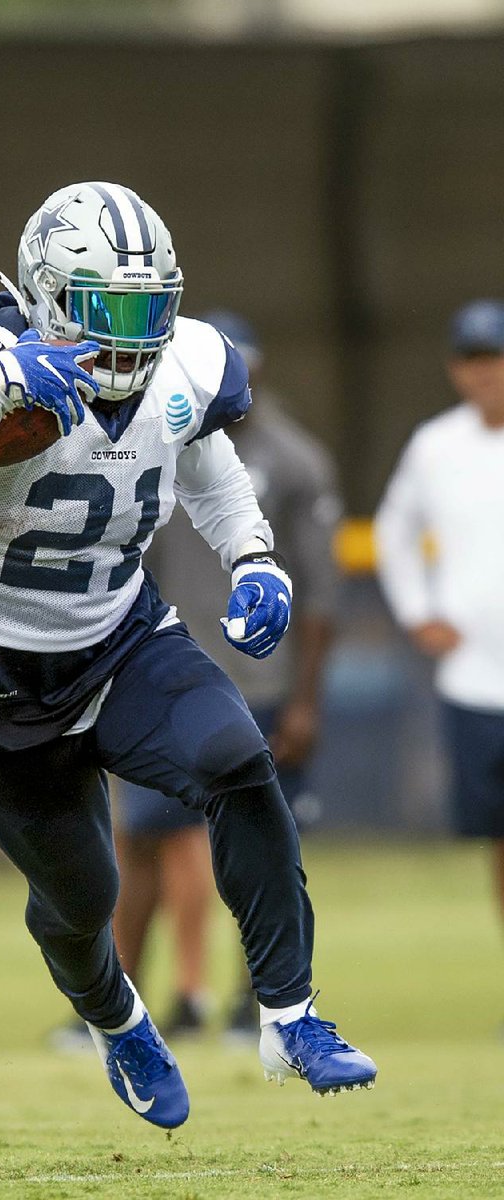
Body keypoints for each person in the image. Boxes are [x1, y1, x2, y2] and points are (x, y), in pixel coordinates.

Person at [0, 180, 376, 1129]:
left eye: (152, 308)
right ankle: (117, 1020)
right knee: (82, 896)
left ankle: (290, 1015)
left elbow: (206, 461)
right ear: (52, 293)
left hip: (119, 636)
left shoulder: (181, 364)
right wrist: (0, 384)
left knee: (237, 761)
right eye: (111, 310)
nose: (134, 334)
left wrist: (255, 557)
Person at [104, 311, 343, 1047]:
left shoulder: (295, 459)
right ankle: (136, 1003)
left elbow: (324, 593)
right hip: (162, 671)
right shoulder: (151, 436)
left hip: (258, 680)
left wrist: (305, 698)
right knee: (145, 844)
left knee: (258, 843)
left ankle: (256, 1000)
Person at [375, 298, 504, 1006]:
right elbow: (395, 532)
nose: (485, 376)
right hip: (476, 679)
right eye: (473, 362)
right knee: (499, 843)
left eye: (495, 360)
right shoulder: (435, 446)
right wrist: (419, 613)